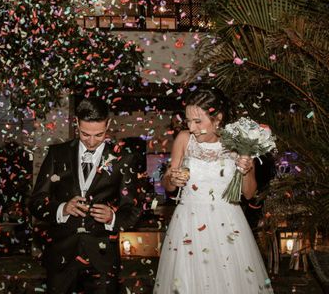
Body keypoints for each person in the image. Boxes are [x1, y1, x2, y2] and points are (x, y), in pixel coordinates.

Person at [154, 87, 273, 294]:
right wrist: (172, 178)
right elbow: (168, 184)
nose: (191, 127)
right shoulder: (184, 139)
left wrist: (245, 169)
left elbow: (248, 193)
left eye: (198, 121)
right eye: (188, 120)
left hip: (228, 226)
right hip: (188, 224)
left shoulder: (238, 142)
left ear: (217, 118)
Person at [29, 97, 144, 294]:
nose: (91, 141)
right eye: (85, 134)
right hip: (61, 258)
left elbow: (133, 208)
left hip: (102, 259)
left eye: (99, 135)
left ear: (108, 124)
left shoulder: (123, 159)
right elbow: (36, 202)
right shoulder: (57, 154)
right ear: (76, 124)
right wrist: (62, 209)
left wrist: (112, 217)